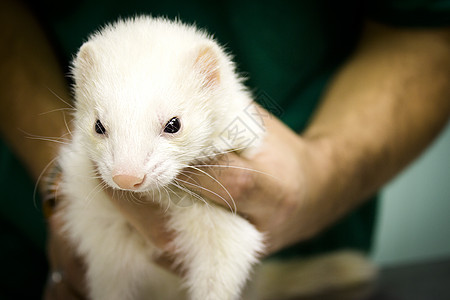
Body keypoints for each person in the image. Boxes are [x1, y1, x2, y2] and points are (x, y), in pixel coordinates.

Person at [0, 0, 449, 298]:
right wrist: (65, 193)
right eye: (101, 129)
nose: (127, 171)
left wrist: (320, 172)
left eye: (171, 127)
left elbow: (431, 31)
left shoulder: (231, 131)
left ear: (212, 88)